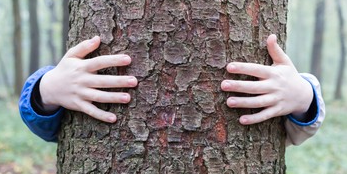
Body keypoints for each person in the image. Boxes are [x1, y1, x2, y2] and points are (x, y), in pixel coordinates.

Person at [19, 34, 325, 145]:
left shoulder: (281, 85)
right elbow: (51, 129)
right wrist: (46, 89)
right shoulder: (72, 82)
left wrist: (303, 96)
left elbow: (295, 131)